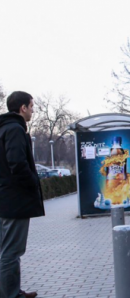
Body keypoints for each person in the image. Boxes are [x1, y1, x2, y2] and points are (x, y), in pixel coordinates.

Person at [0, 91, 45, 298]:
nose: (33, 110)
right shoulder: (14, 130)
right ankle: (10, 295)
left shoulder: (3, 129)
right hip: (14, 201)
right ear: (22, 108)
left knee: (6, 251)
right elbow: (17, 164)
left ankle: (11, 291)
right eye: (32, 106)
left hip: (5, 199)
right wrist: (34, 182)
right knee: (11, 252)